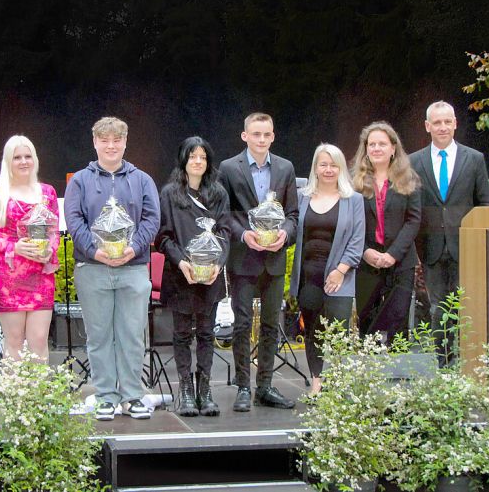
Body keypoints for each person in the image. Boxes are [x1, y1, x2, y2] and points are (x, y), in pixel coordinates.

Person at [63, 116, 160, 421]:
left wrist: (132, 249)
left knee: (132, 334)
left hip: (134, 268)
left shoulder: (142, 179)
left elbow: (151, 220)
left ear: (125, 142)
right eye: (104, 140)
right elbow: (74, 221)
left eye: (116, 140)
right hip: (93, 268)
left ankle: (132, 396)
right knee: (99, 335)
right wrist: (96, 250)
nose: (111, 146)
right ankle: (106, 395)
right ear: (95, 143)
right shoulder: (80, 180)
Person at [218, 112, 299, 412]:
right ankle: (242, 386)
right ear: (245, 136)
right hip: (243, 259)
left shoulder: (285, 168)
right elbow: (223, 215)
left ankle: (264, 385)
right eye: (256, 134)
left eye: (266, 135)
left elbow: (293, 215)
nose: (261, 139)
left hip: (275, 259)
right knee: (240, 325)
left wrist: (285, 235)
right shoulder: (228, 168)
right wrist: (243, 235)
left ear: (273, 136)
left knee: (269, 325)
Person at [408, 101, 489, 362]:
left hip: (466, 247)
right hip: (430, 248)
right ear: (427, 126)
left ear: (455, 123)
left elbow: (485, 204)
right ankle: (444, 364)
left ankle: (467, 363)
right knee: (437, 309)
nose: (442, 127)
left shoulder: (474, 159)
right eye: (437, 122)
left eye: (447, 122)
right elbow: (412, 208)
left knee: (465, 308)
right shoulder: (414, 162)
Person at [156, 136, 229, 417]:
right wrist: (182, 262)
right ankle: (185, 389)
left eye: (203, 157)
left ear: (208, 162)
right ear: (183, 160)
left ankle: (205, 390)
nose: (197, 162)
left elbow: (224, 232)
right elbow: (163, 236)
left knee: (208, 333)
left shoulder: (219, 193)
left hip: (210, 274)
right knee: (182, 333)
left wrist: (218, 264)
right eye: (192, 156)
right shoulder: (170, 194)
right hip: (180, 274)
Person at [289, 143, 364, 395]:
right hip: (307, 277)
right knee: (313, 332)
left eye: (333, 165)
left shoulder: (353, 200)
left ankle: (341, 384)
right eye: (323, 164)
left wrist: (340, 270)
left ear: (341, 168)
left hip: (339, 277)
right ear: (315, 168)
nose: (328, 169)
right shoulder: (301, 197)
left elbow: (356, 241)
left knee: (339, 334)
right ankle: (317, 383)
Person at [0, 135, 59, 361]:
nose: (23, 161)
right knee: (14, 340)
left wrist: (49, 250)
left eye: (28, 156)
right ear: (8, 162)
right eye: (17, 157)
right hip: (7, 274)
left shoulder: (47, 192)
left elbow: (53, 232)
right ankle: (16, 395)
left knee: (39, 339)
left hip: (40, 273)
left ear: (35, 159)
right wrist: (13, 247)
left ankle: (38, 395)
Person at [351, 122, 421, 342]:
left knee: (398, 320)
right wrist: (364, 252)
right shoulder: (354, 183)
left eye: (382, 144)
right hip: (366, 262)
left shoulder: (409, 179)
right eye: (372, 144)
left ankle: (397, 374)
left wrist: (392, 254)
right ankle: (370, 373)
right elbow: (350, 224)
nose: (376, 148)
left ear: (393, 148)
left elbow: (413, 220)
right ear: (366, 149)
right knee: (367, 323)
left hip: (400, 261)